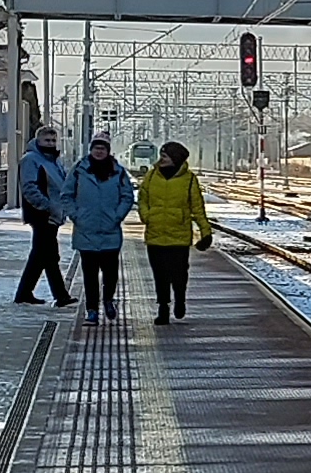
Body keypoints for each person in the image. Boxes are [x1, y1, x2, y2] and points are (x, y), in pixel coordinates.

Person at [136, 139, 213, 324]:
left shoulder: (189, 180)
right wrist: (147, 216)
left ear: (175, 158)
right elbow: (143, 199)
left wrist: (206, 232)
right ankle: (163, 308)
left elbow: (198, 208)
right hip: (155, 235)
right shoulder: (151, 176)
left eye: (165, 156)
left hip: (179, 236)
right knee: (160, 275)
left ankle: (180, 299)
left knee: (179, 274)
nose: (161, 159)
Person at [62, 134, 136, 321]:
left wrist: (117, 216)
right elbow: (67, 194)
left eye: (103, 148)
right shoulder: (79, 170)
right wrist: (76, 215)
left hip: (110, 230)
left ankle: (108, 299)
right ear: (91, 149)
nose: (99, 151)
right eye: (96, 147)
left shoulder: (118, 172)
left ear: (108, 151)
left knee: (110, 273)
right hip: (86, 230)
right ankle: (92, 310)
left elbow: (127, 196)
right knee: (90, 275)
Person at [11, 123, 72, 304]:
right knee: (49, 255)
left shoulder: (54, 161)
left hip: (53, 213)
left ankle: (24, 294)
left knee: (40, 255)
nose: (50, 143)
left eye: (53, 140)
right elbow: (29, 187)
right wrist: (47, 206)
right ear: (38, 140)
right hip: (41, 214)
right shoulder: (31, 159)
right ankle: (60, 296)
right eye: (46, 140)